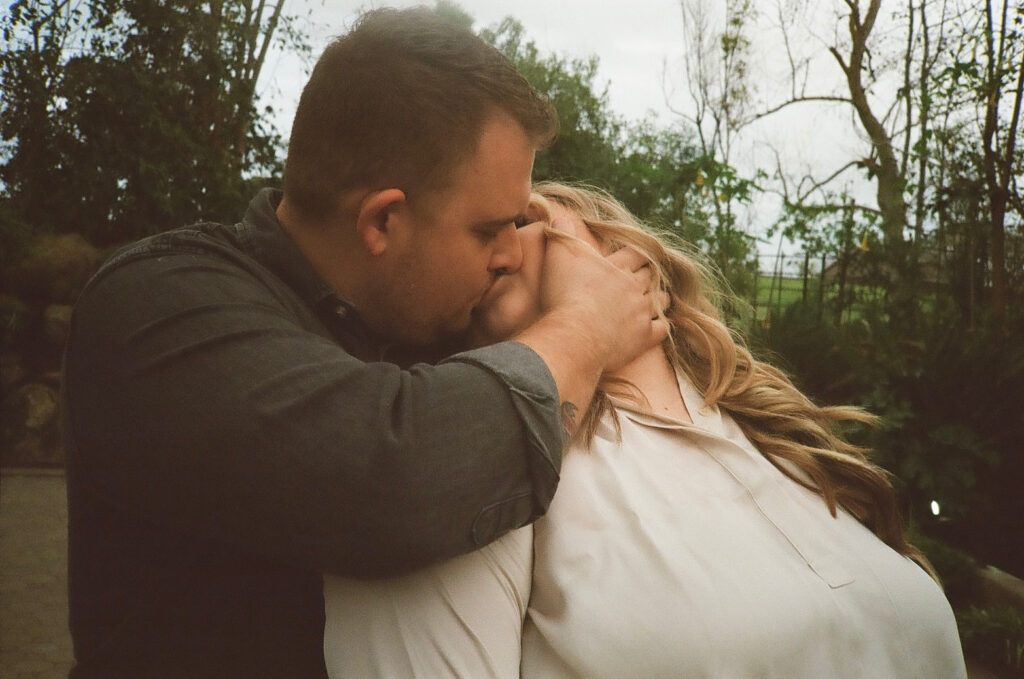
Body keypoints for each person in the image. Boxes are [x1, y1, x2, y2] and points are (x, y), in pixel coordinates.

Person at [60, 9, 666, 678]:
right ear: (383, 220)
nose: (508, 253)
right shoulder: (158, 305)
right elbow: (394, 474)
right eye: (489, 228)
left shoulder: (420, 322)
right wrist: (586, 325)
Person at [322, 181, 967, 678]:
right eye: (479, 233)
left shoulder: (779, 443)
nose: (496, 250)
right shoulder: (476, 456)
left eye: (522, 222)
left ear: (629, 261)